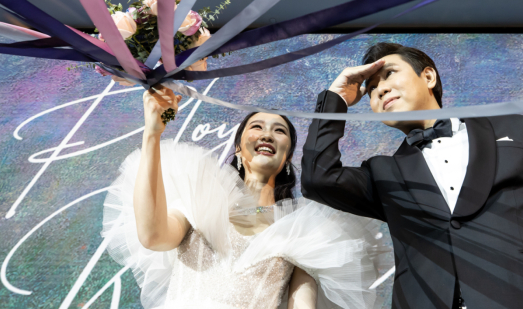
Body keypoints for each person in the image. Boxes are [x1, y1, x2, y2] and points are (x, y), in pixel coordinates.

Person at [301, 42, 523, 309]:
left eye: (389, 73)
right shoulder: (382, 173)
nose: (380, 89)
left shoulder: (515, 130)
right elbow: (318, 178)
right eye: (371, 89)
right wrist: (335, 98)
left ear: (429, 76)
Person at [102, 85, 389, 309]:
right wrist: (152, 134)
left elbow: (301, 303)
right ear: (238, 148)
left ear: (287, 156)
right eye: (256, 127)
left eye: (279, 131)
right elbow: (153, 236)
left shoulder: (303, 227)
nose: (267, 135)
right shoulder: (200, 201)